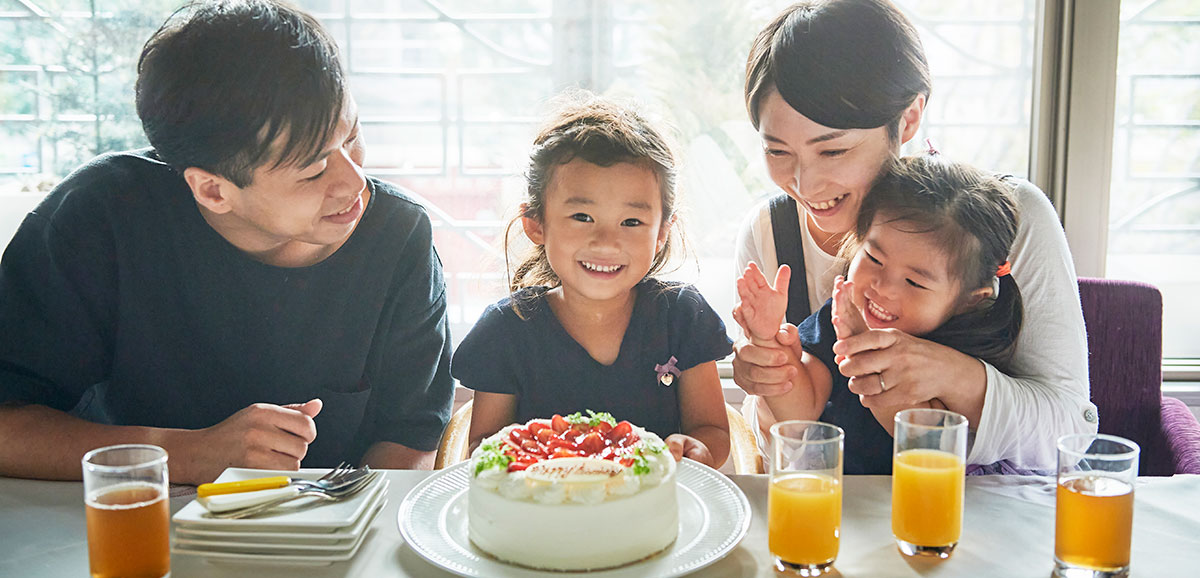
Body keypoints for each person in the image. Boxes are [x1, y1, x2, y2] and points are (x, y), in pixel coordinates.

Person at [0, 0, 454, 484]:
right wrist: (187, 453)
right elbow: (11, 423)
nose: (353, 181)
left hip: (325, 526)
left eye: (353, 135)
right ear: (213, 190)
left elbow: (409, 440)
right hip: (130, 521)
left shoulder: (398, 235)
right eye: (314, 169)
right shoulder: (98, 218)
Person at [734, 0, 1096, 472]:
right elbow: (783, 452)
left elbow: (1069, 433)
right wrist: (768, 379)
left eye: (834, 150)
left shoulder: (1009, 218)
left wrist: (951, 374)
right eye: (778, 151)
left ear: (908, 119)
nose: (805, 185)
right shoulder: (770, 233)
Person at [451, 93, 733, 469]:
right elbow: (485, 448)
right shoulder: (507, 330)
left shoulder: (682, 315)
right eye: (582, 216)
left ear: (662, 231)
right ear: (536, 223)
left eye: (631, 222)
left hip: (653, 518)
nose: (606, 242)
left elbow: (711, 429)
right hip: (540, 516)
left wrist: (696, 448)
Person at [737, 154, 1024, 473]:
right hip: (847, 505)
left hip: (932, 505)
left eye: (914, 281)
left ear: (969, 300)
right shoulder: (842, 314)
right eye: (874, 258)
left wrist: (864, 352)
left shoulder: (963, 350)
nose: (882, 287)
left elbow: (926, 446)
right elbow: (799, 413)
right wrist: (770, 347)